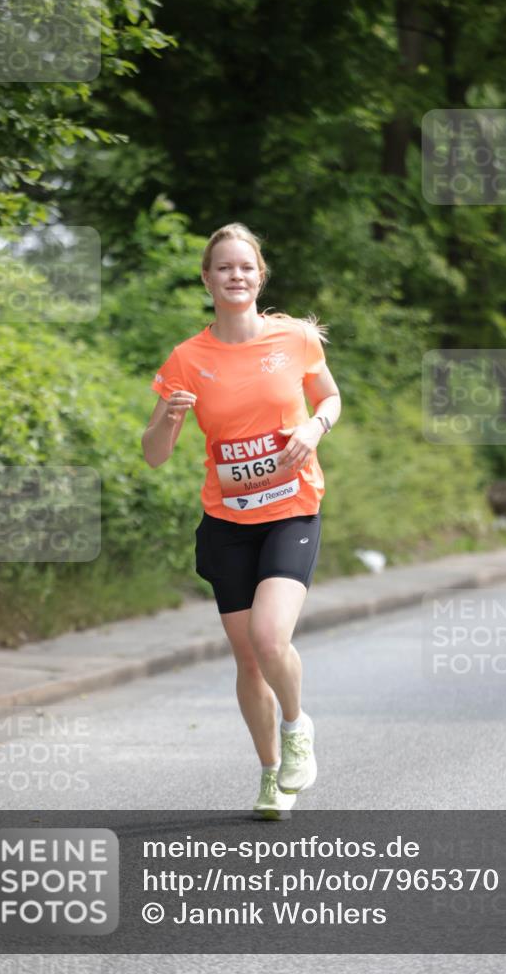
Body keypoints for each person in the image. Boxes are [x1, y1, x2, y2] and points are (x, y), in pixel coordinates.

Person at [142, 223, 341, 820]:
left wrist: (313, 427)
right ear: (207, 279)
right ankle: (270, 771)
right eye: (223, 267)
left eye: (245, 267)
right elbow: (153, 453)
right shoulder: (186, 359)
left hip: (292, 510)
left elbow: (330, 398)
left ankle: (297, 726)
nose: (235, 276)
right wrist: (171, 420)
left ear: (260, 276)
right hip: (226, 521)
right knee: (248, 659)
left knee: (269, 636)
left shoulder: (297, 339)